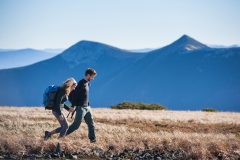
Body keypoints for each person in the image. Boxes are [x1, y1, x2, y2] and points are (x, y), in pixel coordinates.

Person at [66, 68, 97, 143]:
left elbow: (85, 95)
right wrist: (73, 106)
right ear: (88, 75)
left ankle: (93, 140)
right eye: (92, 77)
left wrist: (88, 105)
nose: (93, 79)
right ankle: (62, 135)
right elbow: (75, 96)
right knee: (76, 125)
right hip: (81, 108)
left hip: (87, 107)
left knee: (91, 124)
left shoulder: (88, 83)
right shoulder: (81, 83)